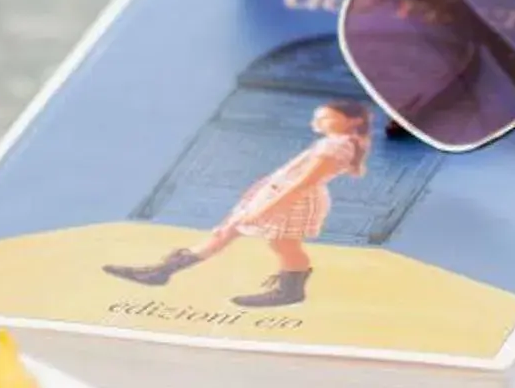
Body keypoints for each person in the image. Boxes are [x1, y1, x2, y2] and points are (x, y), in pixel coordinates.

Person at [104, 99, 376, 309]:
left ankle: (290, 290)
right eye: (318, 116)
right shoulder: (331, 142)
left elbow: (302, 183)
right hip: (277, 194)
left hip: (294, 200)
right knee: (226, 232)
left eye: (327, 116)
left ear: (352, 120)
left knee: (283, 243)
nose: (319, 120)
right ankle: (162, 271)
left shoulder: (337, 146)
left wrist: (263, 209)